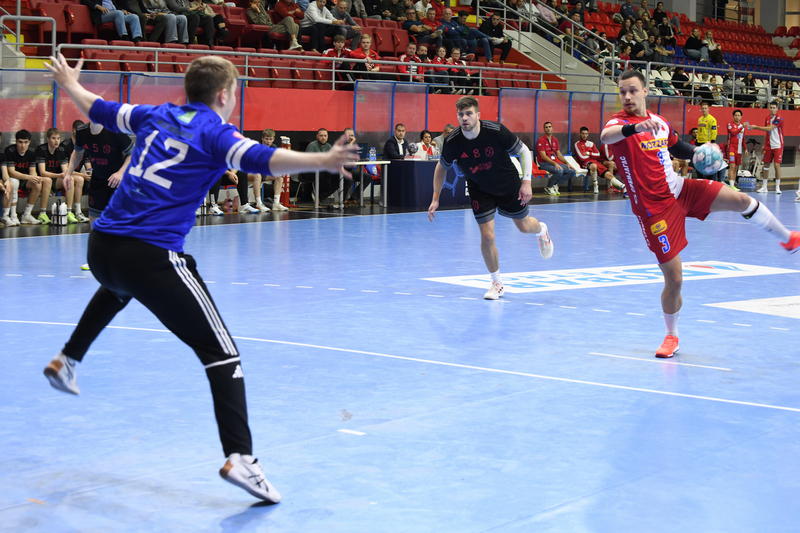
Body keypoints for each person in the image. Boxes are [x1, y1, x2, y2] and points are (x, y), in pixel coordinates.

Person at [43, 52, 359, 501]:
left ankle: (67, 359)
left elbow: (99, 109)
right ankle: (241, 458)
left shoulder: (156, 114)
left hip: (101, 247)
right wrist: (323, 158)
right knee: (222, 354)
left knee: (116, 288)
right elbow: (262, 160)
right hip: (151, 255)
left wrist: (69, 83)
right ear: (225, 94)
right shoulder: (214, 131)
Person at [600, 70, 800, 359]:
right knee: (675, 279)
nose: (627, 96)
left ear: (645, 91)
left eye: (632, 90)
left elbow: (676, 146)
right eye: (623, 92)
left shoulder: (659, 122)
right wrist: (635, 128)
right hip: (654, 210)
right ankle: (671, 336)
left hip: (680, 189)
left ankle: (788, 238)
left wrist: (697, 153)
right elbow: (607, 136)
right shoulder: (619, 124)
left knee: (741, 199)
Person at [427, 96, 554, 300]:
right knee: (487, 236)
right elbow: (441, 167)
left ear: (478, 115)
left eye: (469, 113)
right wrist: (435, 197)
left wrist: (526, 181)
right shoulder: (453, 141)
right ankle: (496, 283)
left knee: (523, 226)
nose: (464, 118)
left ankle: (542, 230)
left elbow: (524, 151)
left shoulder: (496, 131)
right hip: (479, 189)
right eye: (461, 114)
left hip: (507, 184)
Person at [36, 128, 90, 224]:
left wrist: (79, 174)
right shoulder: (41, 149)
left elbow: (66, 170)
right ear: (48, 139)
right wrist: (59, 175)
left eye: (58, 138)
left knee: (74, 179)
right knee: (48, 180)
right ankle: (42, 214)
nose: (56, 141)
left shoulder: (61, 150)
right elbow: (42, 172)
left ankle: (70, 212)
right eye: (53, 138)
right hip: (44, 178)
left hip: (56, 179)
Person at [745, 101, 783, 194]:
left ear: (777, 109)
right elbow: (767, 132)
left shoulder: (779, 118)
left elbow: (770, 128)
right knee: (766, 165)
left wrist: (755, 127)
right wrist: (764, 144)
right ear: (769, 108)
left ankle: (777, 187)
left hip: (778, 145)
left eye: (774, 108)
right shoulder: (767, 118)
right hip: (768, 145)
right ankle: (764, 187)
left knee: (777, 165)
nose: (772, 109)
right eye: (771, 107)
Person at [573, 126, 624, 194]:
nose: (584, 135)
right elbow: (582, 157)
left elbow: (598, 154)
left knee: (608, 174)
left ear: (588, 134)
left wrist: (588, 153)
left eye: (586, 134)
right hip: (584, 163)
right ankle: (595, 186)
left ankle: (623, 186)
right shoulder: (577, 144)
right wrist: (592, 154)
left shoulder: (591, 143)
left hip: (595, 162)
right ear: (580, 134)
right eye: (583, 133)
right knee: (594, 166)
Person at [536, 121, 575, 196]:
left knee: (572, 171)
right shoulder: (541, 140)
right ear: (544, 129)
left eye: (549, 127)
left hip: (554, 163)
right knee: (559, 170)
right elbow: (543, 156)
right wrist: (555, 164)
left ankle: (554, 184)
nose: (548, 128)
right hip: (544, 163)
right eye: (546, 127)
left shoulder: (555, 140)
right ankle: (549, 187)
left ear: (552, 128)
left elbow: (559, 154)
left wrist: (567, 163)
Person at [725, 109, 744, 191]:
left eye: (739, 115)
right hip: (731, 148)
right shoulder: (730, 124)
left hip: (739, 150)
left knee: (736, 168)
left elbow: (743, 138)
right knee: (732, 166)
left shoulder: (742, 126)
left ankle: (733, 185)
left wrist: (745, 148)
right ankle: (731, 186)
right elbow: (733, 133)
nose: (737, 117)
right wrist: (742, 127)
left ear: (741, 117)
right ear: (733, 116)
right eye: (735, 115)